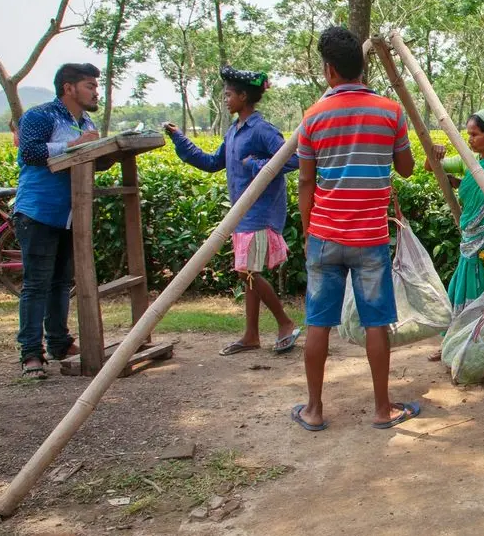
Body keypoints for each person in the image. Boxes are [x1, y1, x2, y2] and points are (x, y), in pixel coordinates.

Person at [293, 26, 419, 431]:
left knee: (318, 322)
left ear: (329, 70)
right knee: (375, 324)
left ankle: (313, 410)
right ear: (363, 67)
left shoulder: (312, 117)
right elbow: (406, 169)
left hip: (325, 234)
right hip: (369, 238)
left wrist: (308, 229)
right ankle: (383, 410)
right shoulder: (390, 112)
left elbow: (306, 182)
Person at [165, 67, 300, 356]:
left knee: (246, 271)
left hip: (260, 213)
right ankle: (251, 335)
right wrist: (179, 139)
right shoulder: (233, 131)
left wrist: (254, 165)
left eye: (228, 95)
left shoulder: (262, 130)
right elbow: (214, 162)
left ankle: (285, 323)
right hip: (241, 214)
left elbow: (294, 160)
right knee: (248, 274)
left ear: (243, 96)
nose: (225, 99)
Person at [14, 63, 102, 379]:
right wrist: (73, 145)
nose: (96, 91)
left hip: (69, 214)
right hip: (38, 211)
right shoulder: (41, 116)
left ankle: (59, 343)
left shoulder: (85, 121)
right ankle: (30, 353)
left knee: (61, 283)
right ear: (69, 87)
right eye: (90, 85)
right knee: (37, 283)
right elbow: (30, 153)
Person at [429, 111, 484, 315]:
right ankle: (467, 330)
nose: (469, 140)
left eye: (475, 134)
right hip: (471, 236)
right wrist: (434, 153)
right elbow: (431, 167)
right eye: (468, 135)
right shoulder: (468, 162)